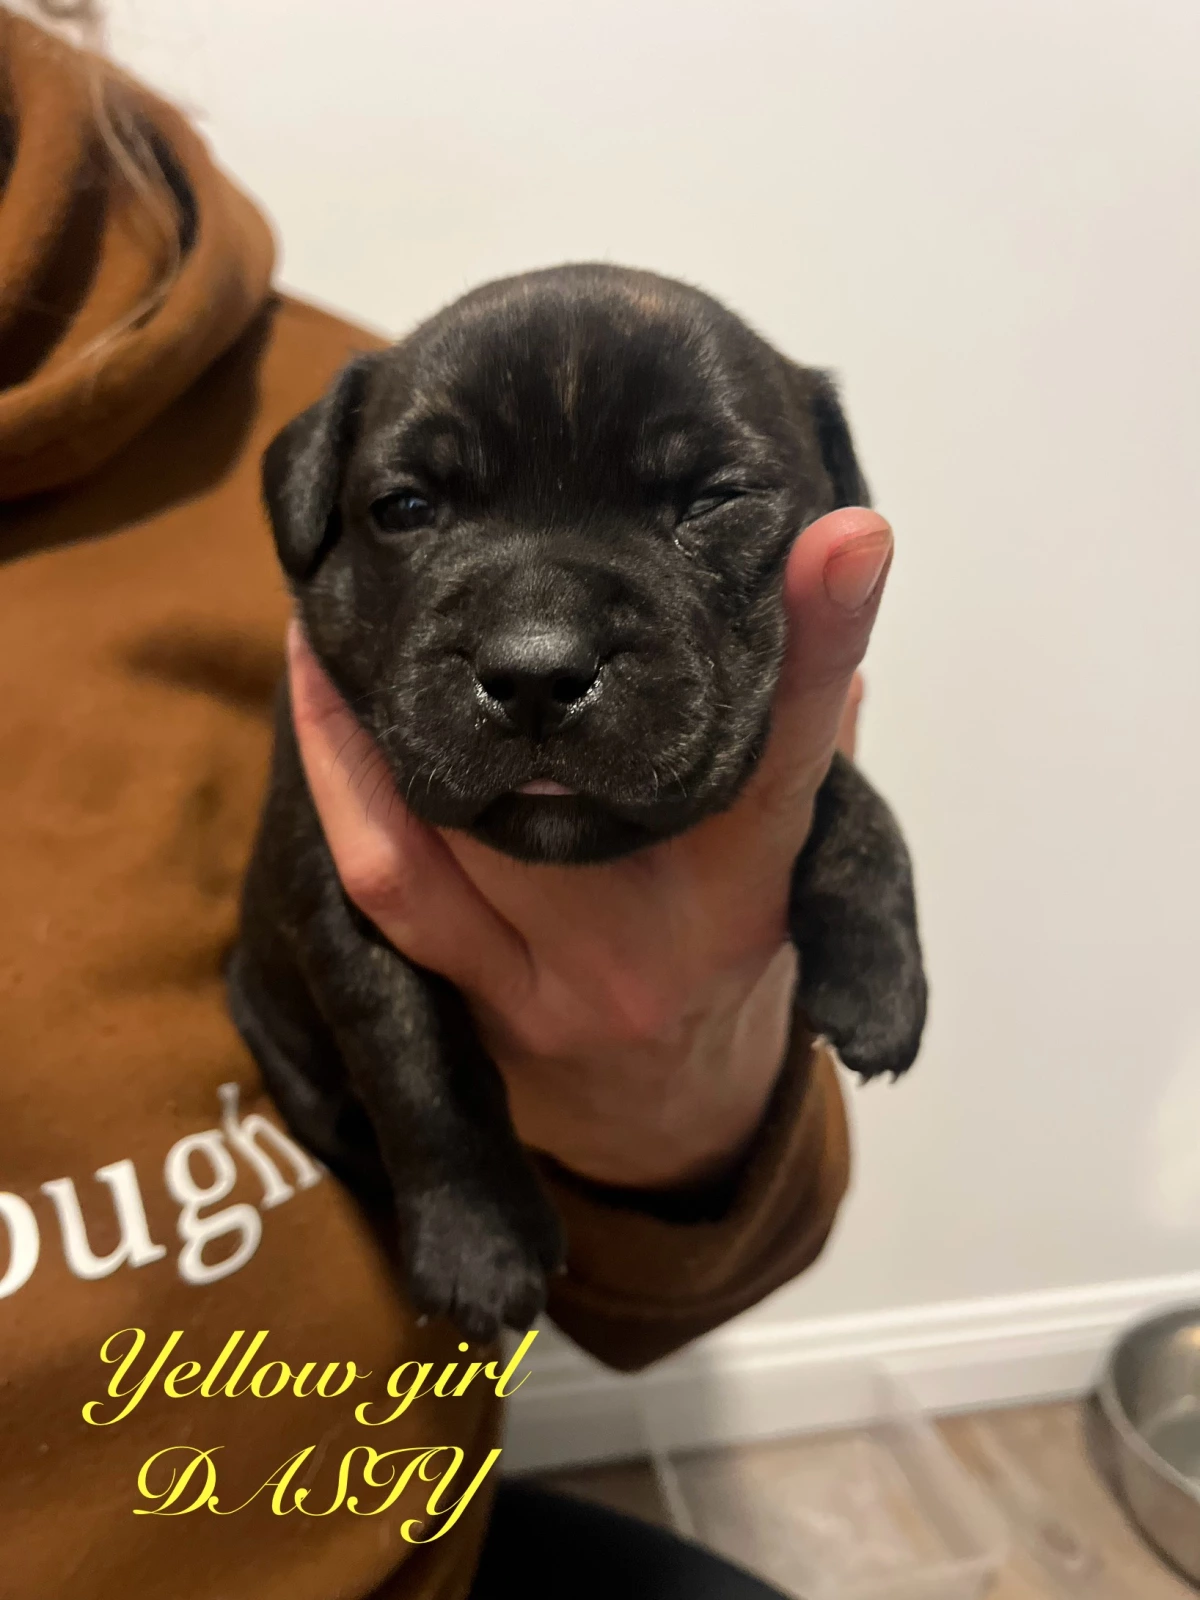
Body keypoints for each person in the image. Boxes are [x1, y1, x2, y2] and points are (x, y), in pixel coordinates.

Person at [0, 6, 895, 1596]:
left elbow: (706, 1257)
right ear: (325, 517)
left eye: (707, 501)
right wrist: (458, 1174)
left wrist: (693, 1072)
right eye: (416, 511)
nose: (540, 639)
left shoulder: (343, 377)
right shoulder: (357, 427)